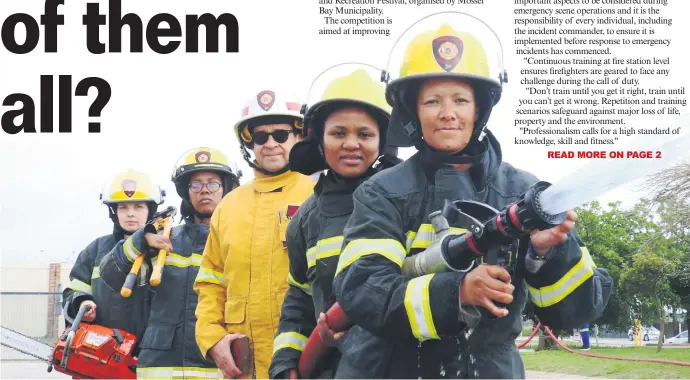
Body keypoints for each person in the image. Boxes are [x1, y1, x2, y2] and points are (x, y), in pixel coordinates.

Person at [331, 13, 614, 378]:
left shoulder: (524, 192)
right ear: (413, 113)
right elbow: (363, 290)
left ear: (479, 109)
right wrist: (458, 292)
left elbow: (571, 314)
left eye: (460, 100)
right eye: (432, 101)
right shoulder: (381, 191)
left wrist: (545, 254)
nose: (448, 114)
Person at [268, 64, 402, 379]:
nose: (351, 144)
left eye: (365, 134)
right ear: (319, 141)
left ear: (383, 141)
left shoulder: (408, 200)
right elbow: (300, 297)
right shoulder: (306, 219)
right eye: (338, 133)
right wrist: (286, 360)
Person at [194, 89, 315, 379]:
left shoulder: (318, 193)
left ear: (299, 136)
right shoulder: (228, 206)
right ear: (249, 144)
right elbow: (211, 281)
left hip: (307, 361)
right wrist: (211, 339)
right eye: (260, 137)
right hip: (244, 369)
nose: (270, 144)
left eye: (281, 135)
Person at [99, 147, 241, 378]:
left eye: (213, 183)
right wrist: (139, 241)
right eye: (196, 184)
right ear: (186, 192)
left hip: (216, 366)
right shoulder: (163, 240)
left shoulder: (240, 241)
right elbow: (111, 277)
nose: (204, 190)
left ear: (227, 188)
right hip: (158, 368)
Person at [62, 169, 164, 354]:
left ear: (150, 210)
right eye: (123, 207)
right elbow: (75, 290)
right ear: (114, 211)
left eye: (138, 206)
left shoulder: (166, 250)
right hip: (102, 352)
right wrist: (82, 303)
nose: (130, 214)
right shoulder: (96, 249)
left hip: (152, 355)